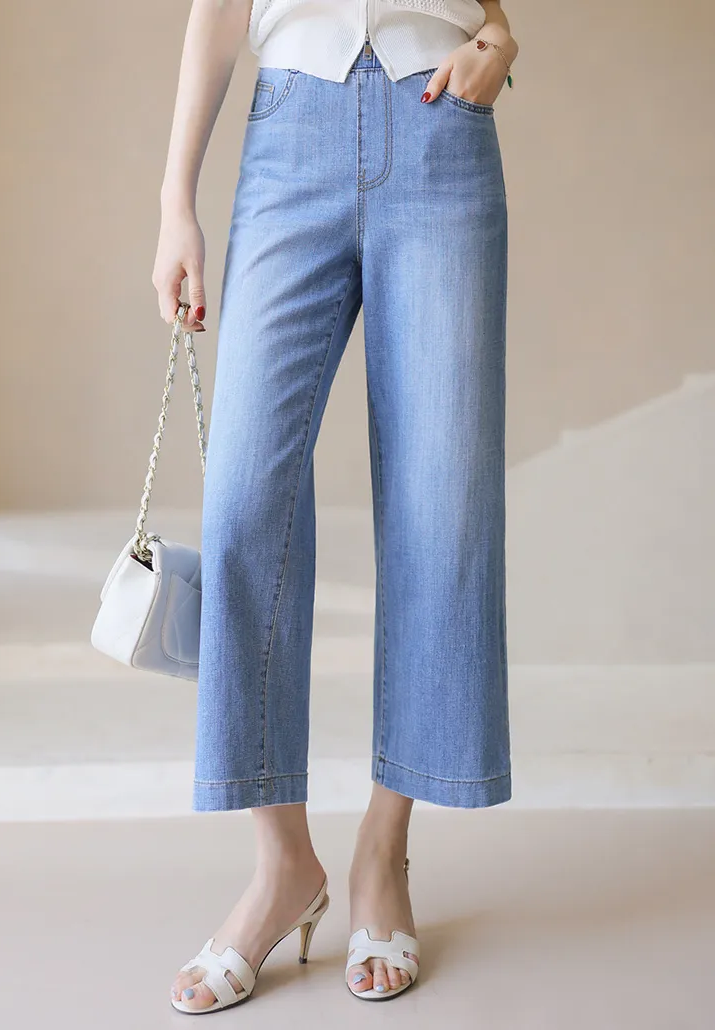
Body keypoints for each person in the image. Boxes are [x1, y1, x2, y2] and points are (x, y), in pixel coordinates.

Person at [152, 0, 519, 1013]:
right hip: (290, 134)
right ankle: (282, 866)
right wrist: (176, 199)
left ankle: (382, 851)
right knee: (241, 510)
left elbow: (487, 12)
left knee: (444, 510)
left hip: (441, 129)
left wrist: (501, 39)